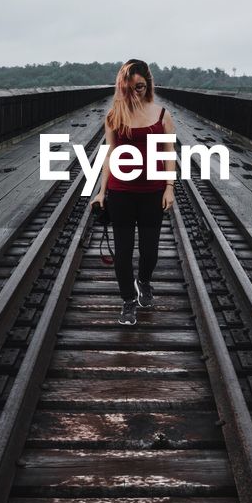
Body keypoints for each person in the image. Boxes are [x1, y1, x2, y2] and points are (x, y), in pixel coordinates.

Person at [91, 59, 175, 325]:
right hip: (121, 191)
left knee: (150, 252)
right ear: (122, 87)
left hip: (152, 191)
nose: (135, 92)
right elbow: (110, 155)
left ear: (148, 84)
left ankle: (145, 281)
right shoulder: (114, 115)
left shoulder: (162, 114)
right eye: (129, 87)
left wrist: (170, 187)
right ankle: (128, 301)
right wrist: (101, 192)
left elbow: (169, 152)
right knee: (123, 251)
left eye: (140, 86)